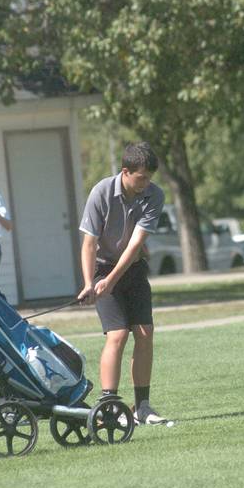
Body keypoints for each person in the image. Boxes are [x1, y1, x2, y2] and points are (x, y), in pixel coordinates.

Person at [77, 141, 168, 425]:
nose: (146, 183)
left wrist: (112, 281)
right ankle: (108, 407)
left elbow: (135, 245)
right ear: (125, 171)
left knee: (144, 332)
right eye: (141, 177)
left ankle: (142, 407)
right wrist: (90, 283)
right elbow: (89, 244)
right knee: (117, 335)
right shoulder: (101, 193)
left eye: (150, 178)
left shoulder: (154, 195)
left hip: (132, 268)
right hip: (103, 268)